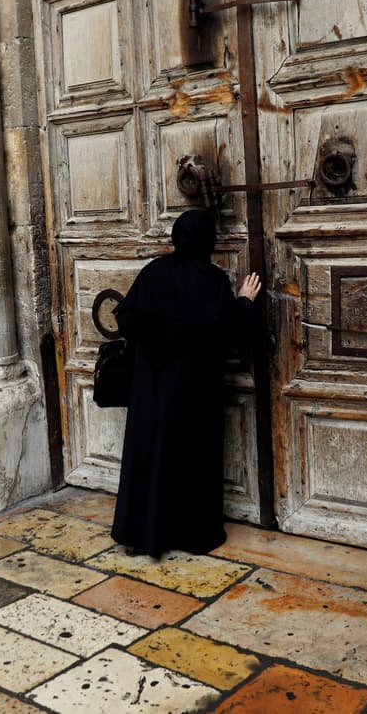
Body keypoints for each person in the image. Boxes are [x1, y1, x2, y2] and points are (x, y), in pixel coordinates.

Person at [110, 208, 261, 558]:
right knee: (191, 463)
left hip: (151, 391)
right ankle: (191, 534)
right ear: (208, 240)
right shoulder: (211, 280)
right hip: (193, 394)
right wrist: (244, 301)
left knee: (152, 456)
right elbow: (229, 333)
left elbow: (128, 319)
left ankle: (143, 533)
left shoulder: (152, 273)